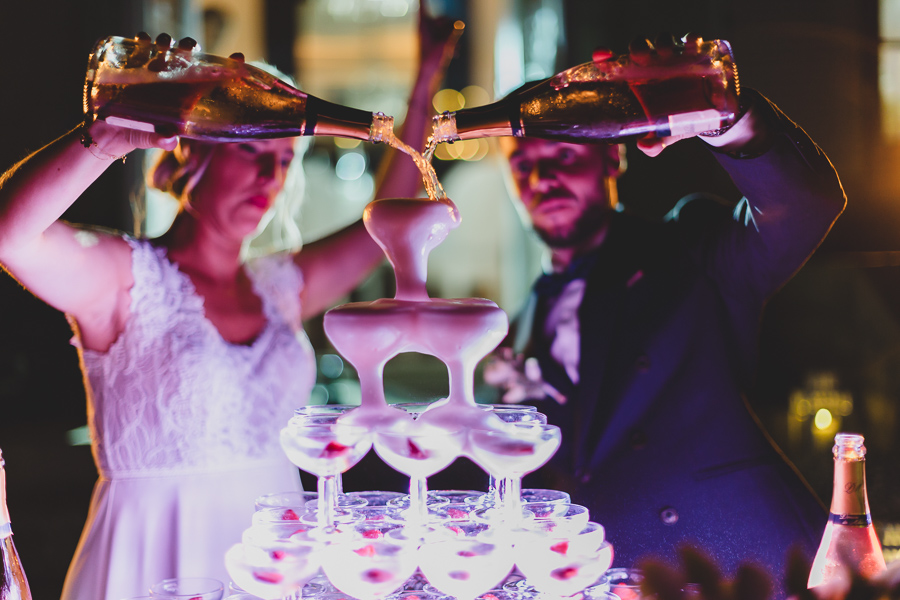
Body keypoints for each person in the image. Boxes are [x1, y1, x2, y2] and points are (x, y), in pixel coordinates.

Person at [0, 13, 460, 600]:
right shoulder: (124, 278)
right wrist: (111, 134)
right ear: (195, 154)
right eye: (253, 152)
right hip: (153, 561)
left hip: (277, 557)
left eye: (281, 162)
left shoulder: (278, 287)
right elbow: (12, 237)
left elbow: (383, 228)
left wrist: (424, 83)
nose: (269, 177)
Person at [486, 33, 846, 590]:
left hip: (741, 564)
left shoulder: (688, 247)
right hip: (619, 578)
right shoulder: (522, 320)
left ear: (612, 155)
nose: (544, 180)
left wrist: (721, 112)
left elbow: (806, 206)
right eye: (523, 165)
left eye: (562, 154)